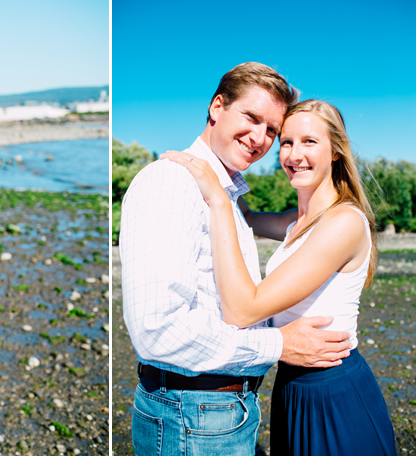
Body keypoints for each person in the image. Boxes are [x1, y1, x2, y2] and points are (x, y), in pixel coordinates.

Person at [120, 62, 353, 456]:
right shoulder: (171, 183)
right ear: (217, 107)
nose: (260, 138)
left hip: (219, 410)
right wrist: (278, 344)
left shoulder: (224, 195)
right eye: (251, 117)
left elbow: (302, 221)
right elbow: (157, 329)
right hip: (191, 414)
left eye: (272, 130)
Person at [162, 99, 396, 455]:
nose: (294, 155)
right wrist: (212, 159)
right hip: (291, 383)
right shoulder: (294, 221)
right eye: (286, 142)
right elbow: (246, 216)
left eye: (309, 141)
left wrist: (219, 200)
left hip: (332, 388)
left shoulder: (344, 222)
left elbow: (243, 310)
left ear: (336, 151)